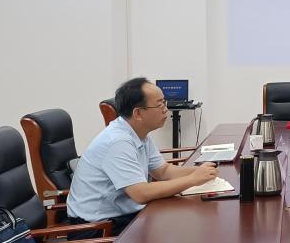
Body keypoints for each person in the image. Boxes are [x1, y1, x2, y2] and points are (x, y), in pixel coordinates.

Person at [67, 77, 217, 234]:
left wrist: (202, 171)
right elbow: (141, 193)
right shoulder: (117, 141)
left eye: (164, 102)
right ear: (137, 113)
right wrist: (193, 179)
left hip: (124, 215)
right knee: (181, 229)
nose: (165, 109)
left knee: (183, 222)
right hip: (97, 228)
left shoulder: (139, 133)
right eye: (159, 105)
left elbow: (163, 171)